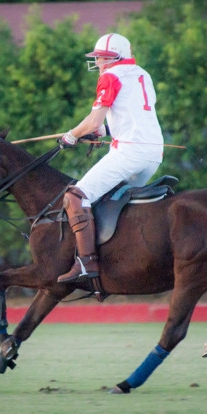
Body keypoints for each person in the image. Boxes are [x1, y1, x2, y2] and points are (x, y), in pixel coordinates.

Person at [55, 33, 164, 283]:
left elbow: (94, 120)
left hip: (128, 153)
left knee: (76, 196)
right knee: (111, 201)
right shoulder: (142, 74)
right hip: (153, 154)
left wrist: (70, 136)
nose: (99, 63)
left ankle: (86, 263)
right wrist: (102, 131)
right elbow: (130, 117)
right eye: (98, 58)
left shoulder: (110, 76)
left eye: (103, 58)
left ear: (117, 58)